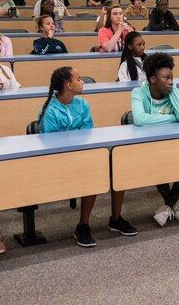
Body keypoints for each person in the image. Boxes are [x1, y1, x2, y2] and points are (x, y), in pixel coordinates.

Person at [38, 67, 132, 245]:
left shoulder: (82, 104)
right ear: (69, 85)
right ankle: (83, 226)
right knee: (92, 173)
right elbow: (52, 143)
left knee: (117, 164)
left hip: (83, 155)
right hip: (58, 159)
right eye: (79, 79)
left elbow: (88, 133)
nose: (82, 82)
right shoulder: (50, 110)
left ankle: (116, 219)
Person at [130, 53, 179, 226]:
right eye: (166, 78)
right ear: (152, 79)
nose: (171, 81)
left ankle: (168, 206)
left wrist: (173, 91)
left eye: (172, 78)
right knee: (159, 161)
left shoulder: (171, 90)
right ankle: (173, 205)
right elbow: (140, 119)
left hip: (173, 145)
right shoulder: (139, 93)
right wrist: (173, 117)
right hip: (149, 148)